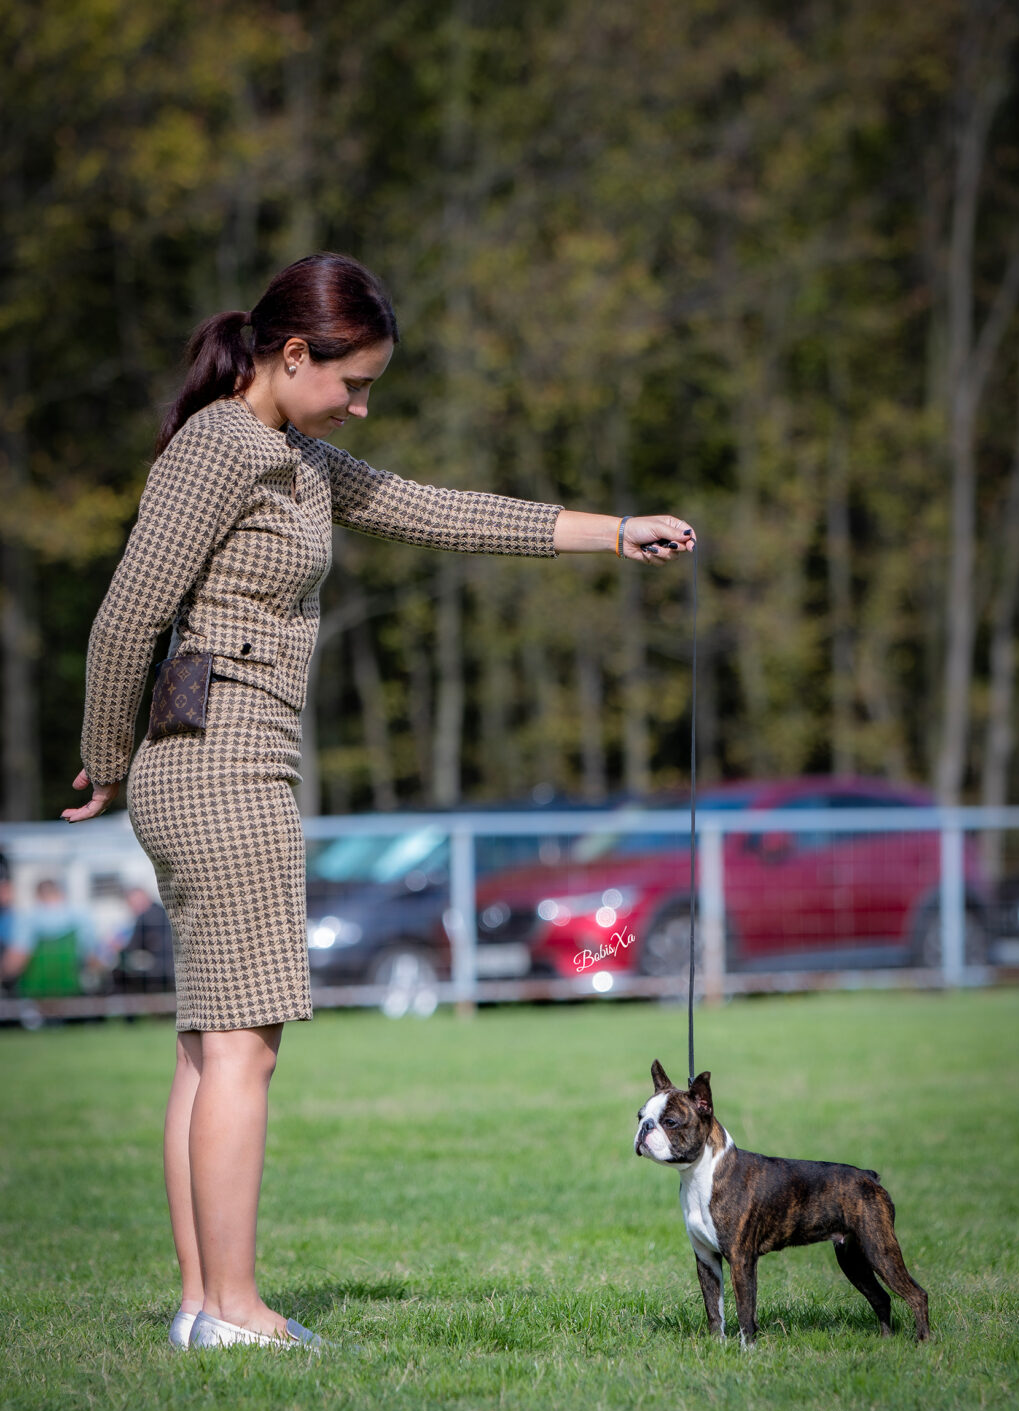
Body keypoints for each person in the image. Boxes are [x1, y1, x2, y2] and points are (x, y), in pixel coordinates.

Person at [63, 252, 696, 1352]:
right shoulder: (221, 448)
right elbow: (125, 618)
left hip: (215, 763)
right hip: (219, 766)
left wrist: (612, 528)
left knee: (209, 1048)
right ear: (293, 353)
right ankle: (235, 1308)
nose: (361, 406)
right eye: (352, 383)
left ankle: (202, 1308)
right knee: (245, 1050)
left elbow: (441, 511)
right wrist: (101, 755)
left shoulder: (293, 458)